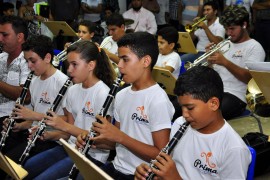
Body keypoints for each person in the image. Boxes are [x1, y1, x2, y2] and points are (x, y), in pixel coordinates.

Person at [76, 32, 175, 179]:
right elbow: (116, 143)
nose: (119, 65)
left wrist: (120, 137)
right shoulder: (121, 95)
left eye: (125, 59)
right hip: (116, 167)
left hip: (138, 175)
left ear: (146, 61)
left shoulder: (158, 100)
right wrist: (93, 141)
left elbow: (161, 156)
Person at [135, 66, 251, 179]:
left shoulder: (234, 149)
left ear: (214, 104)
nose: (184, 114)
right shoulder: (180, 123)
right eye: (182, 107)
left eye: (190, 108)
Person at [23, 40, 115, 179]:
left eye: (74, 65)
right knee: (28, 166)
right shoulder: (72, 90)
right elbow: (69, 133)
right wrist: (50, 135)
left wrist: (63, 125)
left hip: (91, 156)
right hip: (71, 149)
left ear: (91, 65)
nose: (69, 70)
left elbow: (104, 142)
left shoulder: (103, 93)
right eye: (68, 64)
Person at [1, 35, 69, 165]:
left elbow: (68, 120)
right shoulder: (34, 81)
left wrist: (34, 115)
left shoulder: (63, 82)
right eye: (27, 61)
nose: (29, 66)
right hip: (34, 135)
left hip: (53, 141)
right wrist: (19, 125)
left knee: (14, 164)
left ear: (48, 58)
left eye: (33, 61)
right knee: (6, 159)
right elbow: (31, 121)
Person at [207, 5, 265, 119]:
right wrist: (210, 61)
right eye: (226, 29)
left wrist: (225, 62)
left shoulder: (255, 47)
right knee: (180, 106)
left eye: (232, 28)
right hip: (214, 90)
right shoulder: (224, 44)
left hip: (236, 96)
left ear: (244, 25)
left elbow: (249, 79)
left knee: (208, 113)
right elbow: (211, 74)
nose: (228, 33)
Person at [0, 15, 30, 132]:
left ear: (19, 37)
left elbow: (25, 96)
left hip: (13, 120)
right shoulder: (1, 57)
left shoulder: (28, 61)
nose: (0, 39)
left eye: (5, 35)